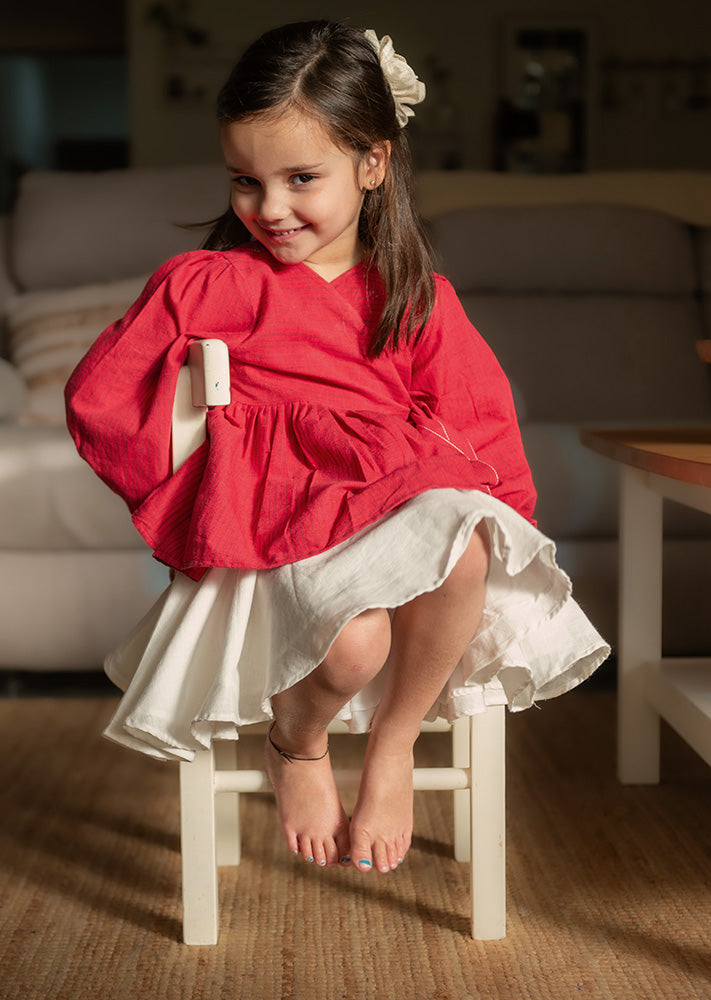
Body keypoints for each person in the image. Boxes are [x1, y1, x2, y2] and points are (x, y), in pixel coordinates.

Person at [65, 20, 608, 878]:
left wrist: (509, 513)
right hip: (282, 517)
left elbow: (479, 412)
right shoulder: (211, 283)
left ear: (373, 164)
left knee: (469, 547)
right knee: (353, 647)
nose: (269, 208)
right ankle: (301, 742)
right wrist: (184, 503)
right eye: (246, 181)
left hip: (397, 494)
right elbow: (100, 393)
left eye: (299, 179)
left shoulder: (412, 295)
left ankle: (391, 747)